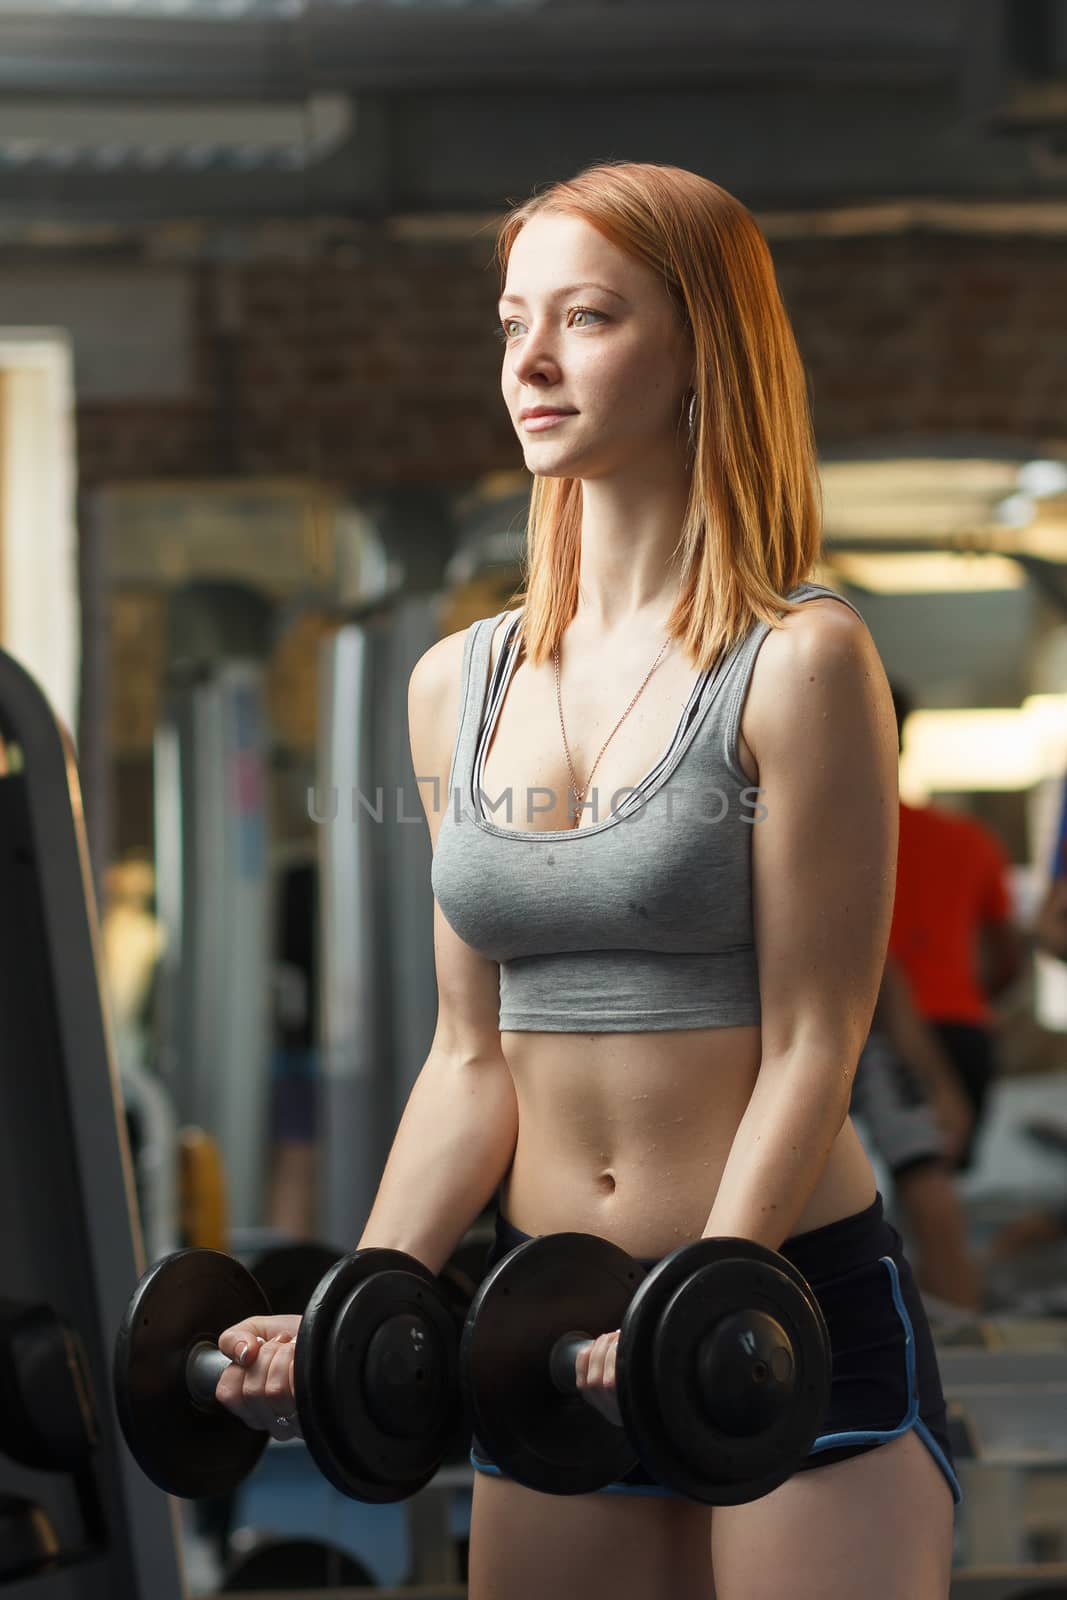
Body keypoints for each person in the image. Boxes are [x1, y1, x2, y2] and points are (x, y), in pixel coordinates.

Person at [212, 163, 957, 1598]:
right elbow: (466, 1056)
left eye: (587, 317)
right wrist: (353, 1302)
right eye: (510, 324)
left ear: (699, 355)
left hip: (772, 1299)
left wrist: (708, 1295)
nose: (530, 362)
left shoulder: (796, 661)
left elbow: (815, 1039)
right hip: (545, 1325)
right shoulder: (454, 686)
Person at [887, 682, 1024, 1172]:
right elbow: (1009, 959)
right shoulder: (971, 841)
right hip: (963, 1031)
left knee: (914, 1196)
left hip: (874, 1036)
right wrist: (967, 999)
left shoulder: (831, 842)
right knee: (942, 1193)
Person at [852, 955, 983, 1310]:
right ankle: (955, 1314)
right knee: (925, 1195)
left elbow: (884, 974)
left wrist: (938, 1084)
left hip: (873, 1033)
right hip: (868, 1029)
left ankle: (962, 1319)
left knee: (928, 1191)